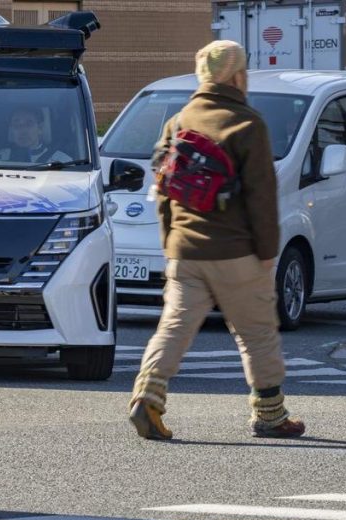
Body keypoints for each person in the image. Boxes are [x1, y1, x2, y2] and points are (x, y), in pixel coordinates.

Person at [128, 40, 306, 440]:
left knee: (173, 328)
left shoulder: (178, 121)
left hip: (185, 251)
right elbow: (262, 196)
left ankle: (147, 398)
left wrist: (169, 241)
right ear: (238, 75)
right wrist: (267, 252)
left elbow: (163, 189)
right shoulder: (247, 123)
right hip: (236, 252)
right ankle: (270, 414)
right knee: (256, 333)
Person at [0, 106, 71, 163]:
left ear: (40, 129)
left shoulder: (61, 161)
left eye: (29, 124)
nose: (23, 130)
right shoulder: (1, 157)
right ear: (12, 130)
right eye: (16, 125)